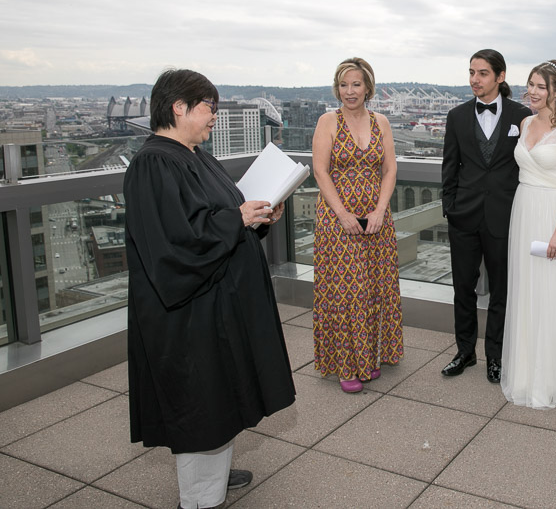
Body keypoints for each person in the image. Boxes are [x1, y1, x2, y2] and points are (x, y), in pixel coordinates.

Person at [124, 69, 295, 509]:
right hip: (187, 314)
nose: (214, 117)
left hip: (213, 304)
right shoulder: (155, 163)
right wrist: (234, 220)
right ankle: (199, 497)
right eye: (208, 108)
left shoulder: (193, 155)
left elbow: (218, 217)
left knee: (219, 397)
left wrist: (252, 216)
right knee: (199, 402)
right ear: (178, 107)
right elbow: (174, 243)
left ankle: (213, 475)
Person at [501, 60, 556, 408]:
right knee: (527, 291)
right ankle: (526, 375)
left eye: (541, 86)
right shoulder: (524, 122)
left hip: (555, 214)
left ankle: (554, 378)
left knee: (553, 294)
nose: (533, 92)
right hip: (524, 211)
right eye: (530, 85)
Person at [312, 57, 404, 393]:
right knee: (347, 292)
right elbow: (320, 171)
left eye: (356, 84)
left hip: (376, 218)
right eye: (343, 84)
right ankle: (347, 365)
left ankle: (369, 358)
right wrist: (343, 214)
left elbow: (390, 169)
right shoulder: (327, 121)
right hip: (338, 219)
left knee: (374, 289)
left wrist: (380, 210)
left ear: (368, 87)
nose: (349, 91)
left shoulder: (382, 121)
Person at [441, 48, 532, 383]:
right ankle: (465, 352)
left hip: (505, 216)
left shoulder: (522, 116)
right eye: (471, 73)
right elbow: (449, 167)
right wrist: (449, 208)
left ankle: (496, 355)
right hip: (463, 216)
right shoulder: (456, 116)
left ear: (500, 76)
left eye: (481, 73)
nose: (474, 80)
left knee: (501, 290)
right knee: (462, 287)